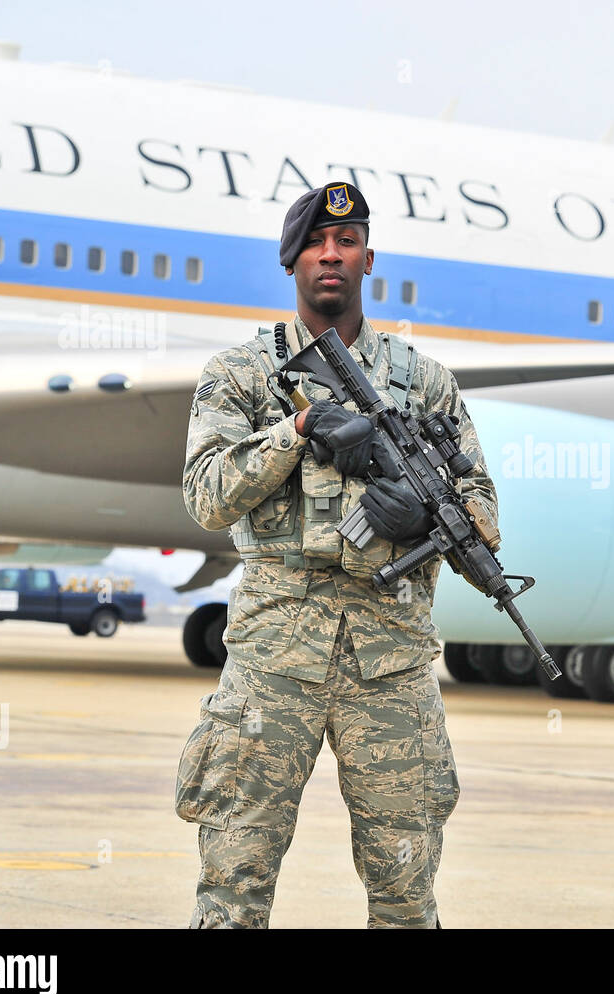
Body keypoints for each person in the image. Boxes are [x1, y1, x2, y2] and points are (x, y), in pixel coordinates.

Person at [175, 181, 499, 929]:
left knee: (405, 889)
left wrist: (425, 514)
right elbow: (206, 496)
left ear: (368, 259)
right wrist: (295, 433)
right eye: (318, 244)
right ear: (293, 261)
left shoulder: (424, 383)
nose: (333, 256)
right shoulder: (242, 375)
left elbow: (482, 509)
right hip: (273, 651)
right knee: (234, 881)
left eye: (347, 244)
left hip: (390, 660)